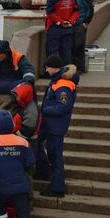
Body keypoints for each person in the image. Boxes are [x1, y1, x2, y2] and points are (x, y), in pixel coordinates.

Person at [35, 56, 79, 198]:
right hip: (49, 125)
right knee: (35, 143)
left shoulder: (63, 85)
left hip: (55, 127)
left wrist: (44, 110)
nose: (46, 70)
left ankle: (57, 188)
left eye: (47, 67)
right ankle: (44, 172)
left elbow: (62, 107)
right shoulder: (57, 81)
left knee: (55, 157)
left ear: (55, 68)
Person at [45, 0, 80, 66]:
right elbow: (76, 11)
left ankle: (52, 72)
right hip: (68, 29)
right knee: (66, 51)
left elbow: (50, 13)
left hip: (54, 29)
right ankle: (66, 71)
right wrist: (70, 22)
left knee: (52, 51)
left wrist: (60, 22)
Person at [65, 0, 94, 72]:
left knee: (79, 45)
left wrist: (86, 21)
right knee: (70, 46)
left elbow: (90, 9)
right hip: (70, 24)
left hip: (80, 24)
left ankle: (80, 67)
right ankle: (72, 67)